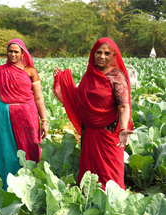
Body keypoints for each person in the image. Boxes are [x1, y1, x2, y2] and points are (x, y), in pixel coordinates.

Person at [53, 37, 134, 190]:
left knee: (110, 179)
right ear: (93, 54)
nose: (102, 56)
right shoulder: (90, 74)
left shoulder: (117, 76)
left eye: (107, 53)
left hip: (109, 135)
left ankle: (112, 208)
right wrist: (63, 83)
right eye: (99, 52)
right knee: (90, 181)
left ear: (113, 56)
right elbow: (79, 101)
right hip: (89, 134)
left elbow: (123, 106)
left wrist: (123, 129)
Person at [0, 39, 48, 190]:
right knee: (6, 150)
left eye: (16, 51)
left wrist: (44, 120)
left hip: (27, 117)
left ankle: (30, 184)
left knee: (29, 148)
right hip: (4, 117)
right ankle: (5, 184)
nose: (12, 54)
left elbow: (38, 97)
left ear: (23, 53)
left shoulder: (30, 71)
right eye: (10, 51)